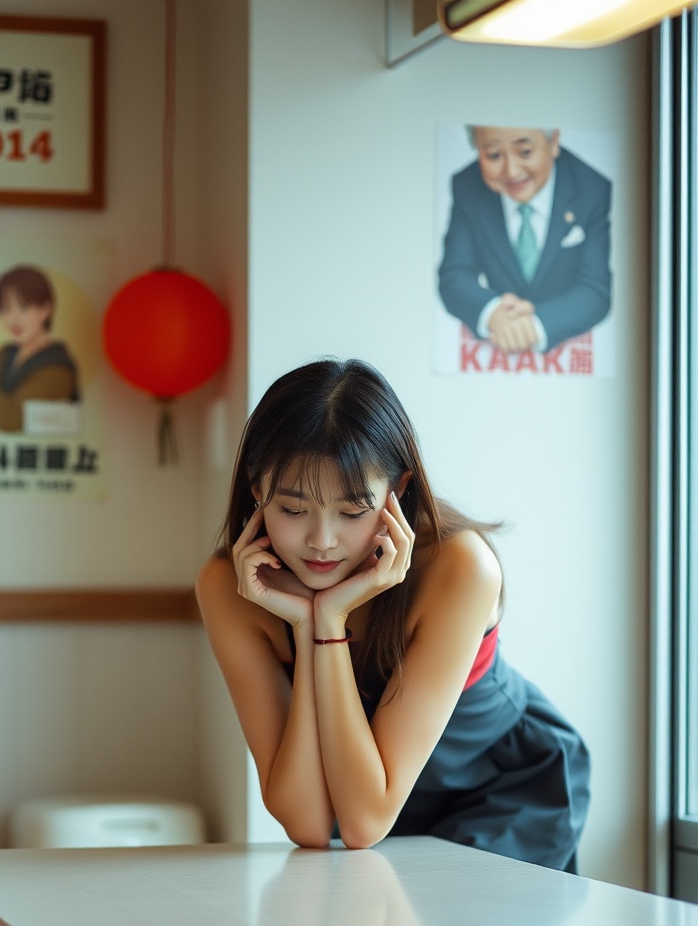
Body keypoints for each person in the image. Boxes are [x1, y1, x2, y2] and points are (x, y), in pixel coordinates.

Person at [196, 358, 590, 871]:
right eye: (293, 509)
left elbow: (362, 823)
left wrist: (329, 623)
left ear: (397, 491)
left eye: (353, 511)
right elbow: (309, 824)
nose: (322, 541)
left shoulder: (460, 567)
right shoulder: (233, 586)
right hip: (372, 802)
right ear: (256, 490)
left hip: (500, 792)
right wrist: (311, 621)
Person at [437, 126, 612, 354]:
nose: (511, 172)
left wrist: (533, 326)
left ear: (553, 142)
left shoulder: (593, 189)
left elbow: (595, 290)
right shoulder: (466, 186)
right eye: (494, 155)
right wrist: (492, 311)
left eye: (525, 152)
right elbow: (454, 275)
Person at [0, 265, 80, 434]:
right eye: (5, 310)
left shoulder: (57, 368)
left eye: (23, 308)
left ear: (45, 309)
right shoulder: (7, 353)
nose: (13, 320)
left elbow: (8, 419)